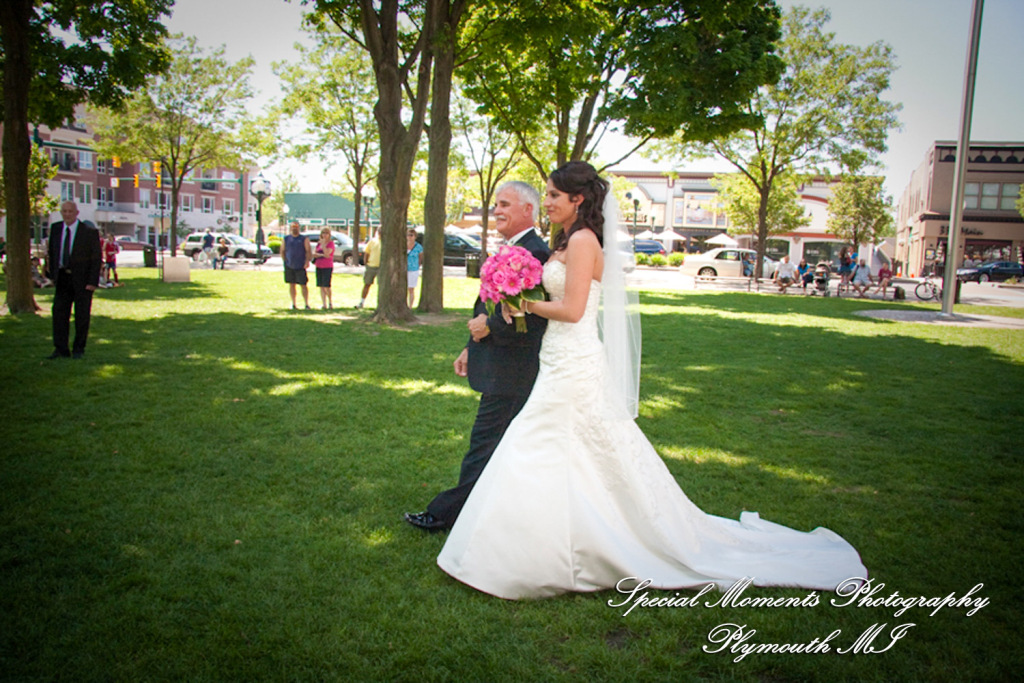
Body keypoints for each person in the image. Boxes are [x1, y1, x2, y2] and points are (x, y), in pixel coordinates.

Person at [436, 161, 867, 600]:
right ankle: (545, 542)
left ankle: (543, 552)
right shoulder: (567, 241)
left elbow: (573, 311)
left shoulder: (584, 242)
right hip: (558, 358)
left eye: (552, 196)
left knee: (537, 440)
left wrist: (527, 306)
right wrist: (516, 295)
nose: (546, 204)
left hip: (575, 359)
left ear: (577, 200)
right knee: (564, 446)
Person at [404, 181, 550, 532]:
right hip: (495, 358)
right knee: (497, 443)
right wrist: (470, 346)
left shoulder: (537, 254)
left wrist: (490, 330)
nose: (496, 211)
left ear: (528, 210)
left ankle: (446, 513)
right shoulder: (510, 249)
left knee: (485, 442)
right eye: (496, 204)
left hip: (514, 368)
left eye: (505, 204)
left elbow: (534, 320)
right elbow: (487, 304)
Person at [46, 201, 101, 359]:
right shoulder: (56, 229)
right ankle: (60, 349)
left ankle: (78, 349)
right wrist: (52, 275)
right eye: (64, 211)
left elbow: (96, 258)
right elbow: (52, 253)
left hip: (83, 280)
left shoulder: (89, 232)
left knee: (82, 315)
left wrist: (92, 281)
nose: (67, 214)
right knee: (59, 313)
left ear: (76, 213)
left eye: (70, 211)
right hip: (63, 278)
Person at [281, 221, 312, 310]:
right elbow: (282, 250)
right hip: (289, 265)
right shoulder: (286, 238)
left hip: (301, 265)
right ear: (290, 228)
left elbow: (308, 251)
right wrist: (285, 261)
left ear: (299, 228)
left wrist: (307, 261)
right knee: (291, 284)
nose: (295, 228)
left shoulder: (303, 238)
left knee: (303, 285)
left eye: (296, 226)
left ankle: (306, 304)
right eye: (293, 226)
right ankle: (293, 304)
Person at [357, 229, 381, 309]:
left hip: (382, 268)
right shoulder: (372, 241)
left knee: (381, 286)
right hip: (371, 266)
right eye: (380, 231)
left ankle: (380, 304)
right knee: (367, 284)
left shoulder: (387, 242)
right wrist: (366, 263)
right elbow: (367, 253)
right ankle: (361, 302)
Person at [314, 228, 335, 310]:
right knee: (321, 285)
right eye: (323, 233)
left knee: (327, 285)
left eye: (326, 233)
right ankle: (324, 304)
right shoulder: (318, 243)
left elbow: (327, 254)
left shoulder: (330, 244)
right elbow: (315, 254)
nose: (324, 235)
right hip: (319, 266)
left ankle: (330, 302)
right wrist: (320, 255)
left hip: (327, 266)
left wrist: (323, 246)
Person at [406, 228, 423, 308]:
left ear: (415, 236)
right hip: (404, 269)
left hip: (413, 269)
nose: (409, 237)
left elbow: (420, 257)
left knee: (411, 289)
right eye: (408, 235)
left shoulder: (418, 247)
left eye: (411, 235)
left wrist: (417, 265)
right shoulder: (403, 245)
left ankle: (410, 306)